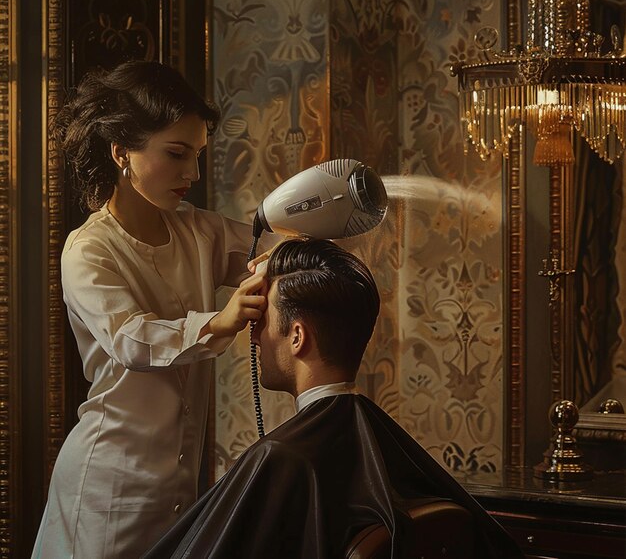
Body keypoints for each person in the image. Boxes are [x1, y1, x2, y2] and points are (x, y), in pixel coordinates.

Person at [32, 60, 276, 559]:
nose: (193, 173)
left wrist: (296, 233)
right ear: (122, 152)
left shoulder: (197, 230)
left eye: (198, 155)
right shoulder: (89, 250)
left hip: (181, 487)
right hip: (109, 485)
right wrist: (220, 320)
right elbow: (129, 340)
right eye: (176, 154)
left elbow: (271, 248)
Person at [144, 239, 524, 559]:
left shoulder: (281, 458)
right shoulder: (385, 444)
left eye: (262, 321)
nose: (254, 335)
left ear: (297, 336)